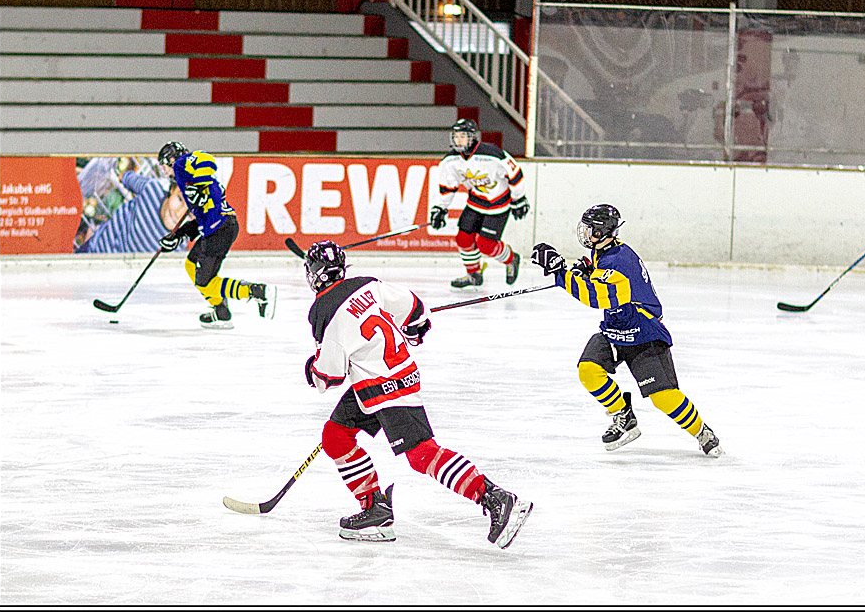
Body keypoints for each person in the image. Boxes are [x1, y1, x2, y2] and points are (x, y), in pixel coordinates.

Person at [302, 240, 533, 547]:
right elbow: (414, 308)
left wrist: (311, 370)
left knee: (421, 454)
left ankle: (494, 497)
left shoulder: (322, 310)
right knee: (335, 435)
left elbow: (330, 376)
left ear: (314, 275)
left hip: (385, 388)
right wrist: (416, 327)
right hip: (382, 382)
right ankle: (375, 508)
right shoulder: (368, 285)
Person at [530, 204, 723, 456]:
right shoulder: (605, 251)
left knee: (663, 397)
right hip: (616, 327)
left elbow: (597, 296)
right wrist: (584, 269)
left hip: (643, 332)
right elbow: (598, 273)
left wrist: (562, 273)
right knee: (589, 370)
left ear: (602, 232)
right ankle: (624, 416)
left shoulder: (620, 262)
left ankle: (701, 431)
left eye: (590, 230)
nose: (585, 234)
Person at [156, 141, 276, 328]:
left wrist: (200, 189)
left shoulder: (181, 167)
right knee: (190, 264)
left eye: (164, 165)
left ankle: (256, 291)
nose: (164, 170)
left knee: (204, 281)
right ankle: (221, 311)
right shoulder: (189, 180)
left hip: (219, 229)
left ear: (171, 160)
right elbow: (203, 216)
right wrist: (179, 234)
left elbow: (207, 161)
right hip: (218, 227)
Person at [429, 118, 530, 288]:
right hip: (475, 202)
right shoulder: (450, 161)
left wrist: (519, 198)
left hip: (498, 205)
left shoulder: (492, 155)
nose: (458, 140)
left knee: (485, 244)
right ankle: (473, 274)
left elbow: (515, 174)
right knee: (463, 239)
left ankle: (512, 259)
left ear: (472, 137)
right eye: (456, 136)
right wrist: (440, 208)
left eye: (462, 136)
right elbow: (448, 187)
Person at [76, 161, 190, 254]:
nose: (179, 214)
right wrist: (123, 176)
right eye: (180, 200)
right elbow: (129, 178)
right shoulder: (151, 188)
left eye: (189, 214)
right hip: (93, 249)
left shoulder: (178, 246)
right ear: (172, 189)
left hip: (116, 277)